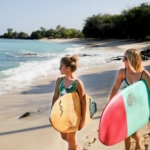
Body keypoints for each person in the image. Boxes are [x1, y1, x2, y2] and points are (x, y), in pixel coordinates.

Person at [109, 49, 150, 150]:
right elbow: (115, 88)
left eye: (125, 58)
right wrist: (110, 103)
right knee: (125, 132)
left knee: (132, 132)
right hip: (124, 107)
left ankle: (137, 139)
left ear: (132, 59)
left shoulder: (144, 74)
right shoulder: (122, 72)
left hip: (138, 108)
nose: (123, 61)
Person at [51, 55, 86, 150]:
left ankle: (73, 146)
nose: (59, 68)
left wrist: (83, 119)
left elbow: (83, 101)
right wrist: (52, 113)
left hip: (73, 115)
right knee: (63, 136)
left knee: (70, 138)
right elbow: (55, 97)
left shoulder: (77, 83)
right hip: (61, 113)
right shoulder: (59, 80)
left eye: (61, 66)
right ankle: (75, 147)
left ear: (68, 68)